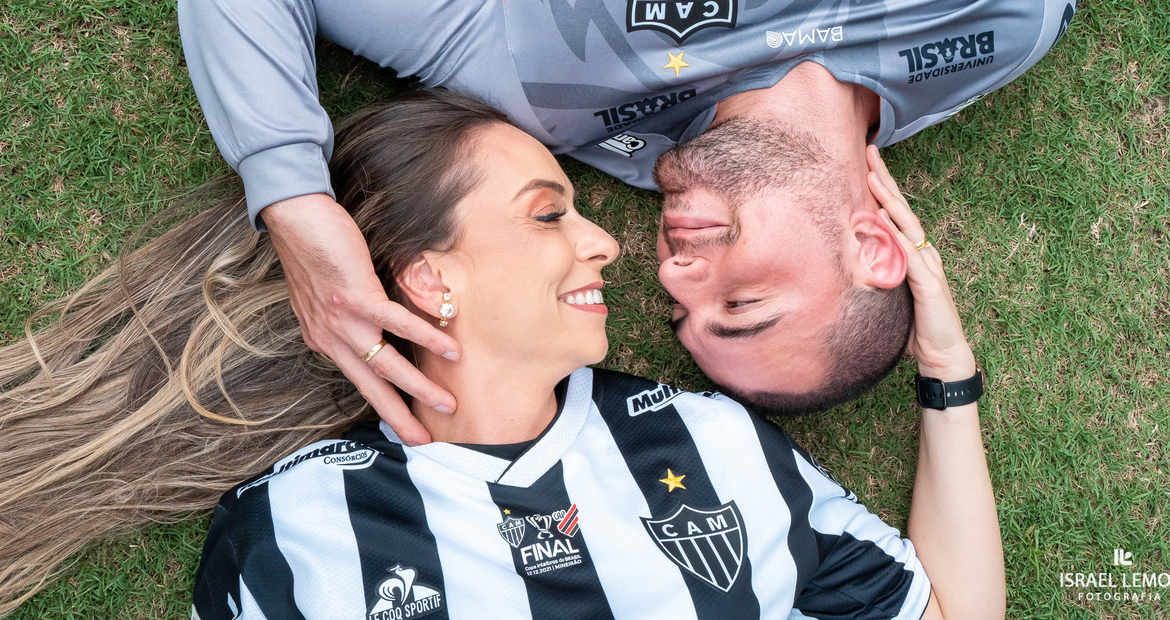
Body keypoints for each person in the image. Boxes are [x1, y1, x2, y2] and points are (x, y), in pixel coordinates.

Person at [167, 0, 1111, 440]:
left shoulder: (547, 83)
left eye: (678, 313)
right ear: (873, 247)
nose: (667, 276)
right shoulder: (1005, 24)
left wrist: (289, 195)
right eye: (740, 307)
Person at [0, 92, 1000, 618]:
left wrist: (945, 363)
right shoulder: (300, 529)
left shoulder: (710, 444)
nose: (608, 241)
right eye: (547, 213)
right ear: (434, 279)